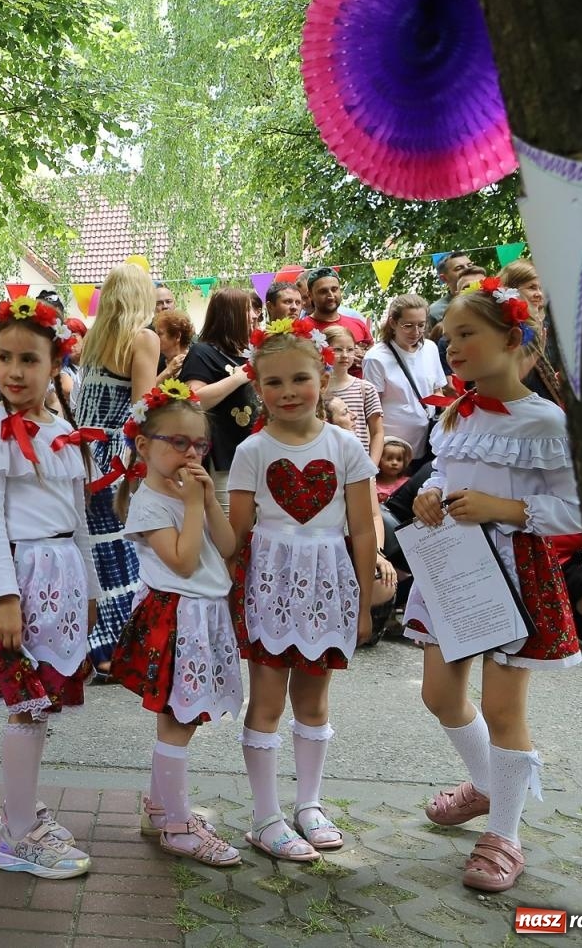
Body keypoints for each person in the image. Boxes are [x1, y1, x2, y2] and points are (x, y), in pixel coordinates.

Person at [406, 278, 581, 893]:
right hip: (455, 568)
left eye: (466, 334)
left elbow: (580, 510)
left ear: (512, 340)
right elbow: (445, 479)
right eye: (448, 335)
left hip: (515, 574)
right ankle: (486, 784)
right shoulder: (453, 415)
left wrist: (501, 508)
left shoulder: (545, 422)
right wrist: (431, 499)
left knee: (505, 709)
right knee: (439, 695)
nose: (450, 346)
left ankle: (504, 833)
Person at [0, 295, 100, 879]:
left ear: (53, 362)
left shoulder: (61, 430)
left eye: (28, 360)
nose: (14, 371)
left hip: (60, 577)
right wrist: (6, 599)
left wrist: (87, 590)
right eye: (4, 357)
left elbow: (79, 519)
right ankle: (14, 835)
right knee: (27, 706)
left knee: (42, 707)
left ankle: (21, 808)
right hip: (19, 578)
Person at [228, 320, 377, 862]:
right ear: (256, 385)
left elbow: (361, 527)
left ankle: (308, 805)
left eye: (299, 379)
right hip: (270, 585)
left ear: (324, 376)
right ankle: (265, 816)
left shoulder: (344, 447)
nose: (287, 392)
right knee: (266, 700)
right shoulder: (252, 450)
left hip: (328, 584)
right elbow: (238, 534)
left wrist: (362, 602)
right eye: (273, 383)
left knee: (313, 703)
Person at [109, 381, 243, 868]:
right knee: (179, 719)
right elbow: (184, 562)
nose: (191, 453)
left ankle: (161, 808)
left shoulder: (190, 492)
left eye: (199, 444)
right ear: (144, 446)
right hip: (176, 615)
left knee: (179, 718)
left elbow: (226, 548)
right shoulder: (149, 502)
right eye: (178, 443)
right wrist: (190, 506)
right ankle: (177, 824)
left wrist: (206, 502)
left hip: (202, 613)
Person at [72, 262, 160, 680]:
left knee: (93, 549)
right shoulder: (142, 339)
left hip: (80, 453)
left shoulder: (92, 339)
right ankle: (115, 649)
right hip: (116, 455)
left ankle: (93, 643)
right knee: (122, 550)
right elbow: (143, 408)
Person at [179, 288, 262, 509]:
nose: (255, 315)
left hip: (258, 454)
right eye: (247, 310)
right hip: (226, 459)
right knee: (231, 529)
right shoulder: (203, 352)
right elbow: (192, 399)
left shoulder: (249, 352)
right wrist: (239, 377)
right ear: (230, 315)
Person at [362, 294, 445, 462]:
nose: (416, 332)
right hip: (392, 449)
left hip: (426, 440)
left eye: (421, 325)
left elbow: (437, 390)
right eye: (408, 326)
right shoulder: (376, 357)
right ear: (393, 323)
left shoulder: (430, 348)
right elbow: (371, 409)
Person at [498, 259, 565, 406]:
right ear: (511, 290)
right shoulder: (503, 330)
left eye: (542, 288)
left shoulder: (553, 325)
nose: (539, 294)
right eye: (532, 287)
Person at [322, 325, 384, 464]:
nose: (345, 355)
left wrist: (372, 467)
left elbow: (377, 432)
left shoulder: (365, 388)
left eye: (350, 350)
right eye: (337, 349)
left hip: (359, 465)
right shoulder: (316, 389)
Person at [297, 268, 371, 347]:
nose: (331, 296)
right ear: (310, 295)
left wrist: (363, 354)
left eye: (334, 289)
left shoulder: (358, 324)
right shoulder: (300, 329)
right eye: (323, 291)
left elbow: (374, 355)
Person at [426, 252, 476, 327]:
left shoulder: (492, 297)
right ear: (444, 278)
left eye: (470, 265)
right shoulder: (435, 312)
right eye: (459, 268)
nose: (468, 270)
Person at [153, 308, 193, 384]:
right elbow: (145, 392)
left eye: (160, 334)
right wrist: (167, 372)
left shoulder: (194, 361)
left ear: (177, 336)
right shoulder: (157, 361)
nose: (155, 337)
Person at [376, 437, 413, 503]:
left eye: (399, 459)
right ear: (379, 460)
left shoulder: (407, 484)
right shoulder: (372, 483)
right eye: (389, 459)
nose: (394, 463)